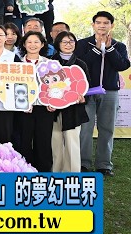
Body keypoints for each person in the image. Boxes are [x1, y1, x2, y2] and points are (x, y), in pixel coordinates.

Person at [76, 11, 130, 176]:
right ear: (93, 25)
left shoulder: (119, 45)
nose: (102, 26)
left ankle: (104, 165)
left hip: (110, 92)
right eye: (98, 22)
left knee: (107, 128)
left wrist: (109, 48)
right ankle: (83, 163)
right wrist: (97, 49)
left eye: (106, 23)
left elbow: (122, 65)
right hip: (87, 91)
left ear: (111, 25)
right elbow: (81, 64)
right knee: (85, 128)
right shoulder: (83, 43)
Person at [49, 31, 90, 173]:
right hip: (53, 111)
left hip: (74, 111)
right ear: (58, 44)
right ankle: (56, 173)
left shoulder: (81, 64)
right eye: (65, 42)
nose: (68, 44)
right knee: (55, 143)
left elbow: (87, 86)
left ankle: (72, 175)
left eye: (71, 41)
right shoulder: (50, 63)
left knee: (72, 143)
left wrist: (83, 98)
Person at [18, 30, 54, 172]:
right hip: (23, 108)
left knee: (43, 141)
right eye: (29, 42)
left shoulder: (51, 64)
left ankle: (44, 172)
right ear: (24, 44)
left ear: (42, 44)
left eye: (36, 42)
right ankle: (25, 171)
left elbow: (56, 86)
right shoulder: (17, 63)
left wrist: (53, 102)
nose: (32, 45)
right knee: (24, 141)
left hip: (44, 108)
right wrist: (22, 104)